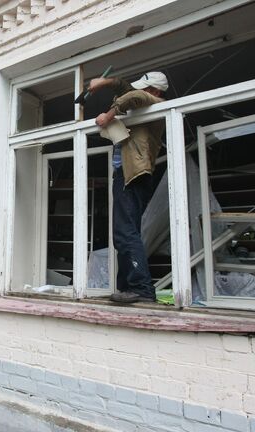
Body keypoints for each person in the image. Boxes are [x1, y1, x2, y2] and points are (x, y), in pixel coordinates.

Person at [87, 71, 168, 303]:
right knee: (123, 233)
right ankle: (127, 287)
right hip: (126, 175)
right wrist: (104, 82)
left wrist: (109, 116)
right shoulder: (144, 101)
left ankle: (141, 289)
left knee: (125, 232)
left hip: (134, 175)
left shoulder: (155, 102)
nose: (139, 91)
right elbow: (125, 89)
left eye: (144, 88)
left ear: (154, 91)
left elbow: (132, 97)